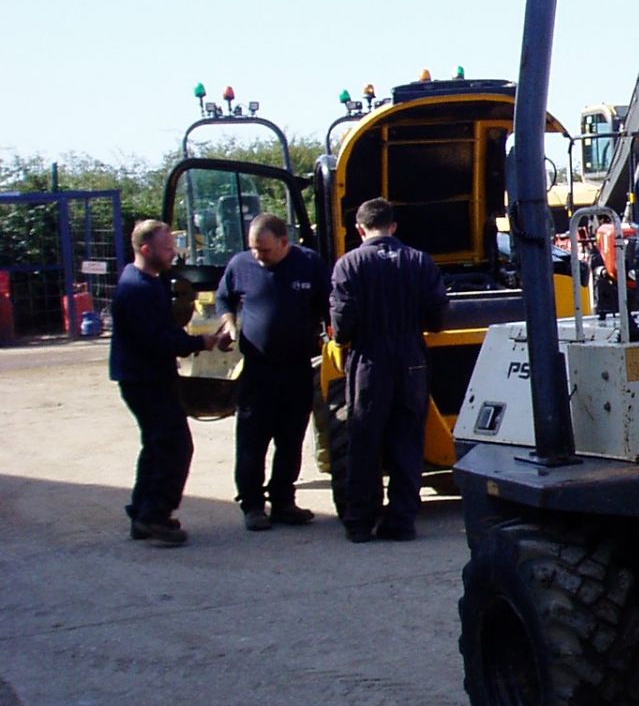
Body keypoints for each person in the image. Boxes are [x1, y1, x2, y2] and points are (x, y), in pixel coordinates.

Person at [329, 196, 448, 542]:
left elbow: (343, 322)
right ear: (393, 226)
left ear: (359, 229)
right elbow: (438, 315)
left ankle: (360, 522)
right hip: (411, 357)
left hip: (370, 359)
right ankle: (401, 521)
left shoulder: (349, 265)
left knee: (365, 439)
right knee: (408, 441)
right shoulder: (420, 261)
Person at [109, 219, 228, 546]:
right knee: (175, 446)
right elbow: (157, 339)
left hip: (146, 376)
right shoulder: (137, 289)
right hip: (143, 379)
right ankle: (154, 516)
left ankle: (142, 512)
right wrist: (200, 344)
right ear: (146, 250)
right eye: (166, 248)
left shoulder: (149, 281)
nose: (173, 253)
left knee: (157, 444)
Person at [215, 214, 329, 531]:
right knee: (252, 441)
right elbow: (223, 297)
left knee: (290, 440)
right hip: (257, 372)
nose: (258, 256)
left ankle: (283, 502)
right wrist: (228, 323)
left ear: (283, 242)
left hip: (296, 370)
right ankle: (252, 505)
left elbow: (328, 304)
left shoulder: (309, 264)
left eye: (264, 250)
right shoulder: (240, 265)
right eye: (253, 248)